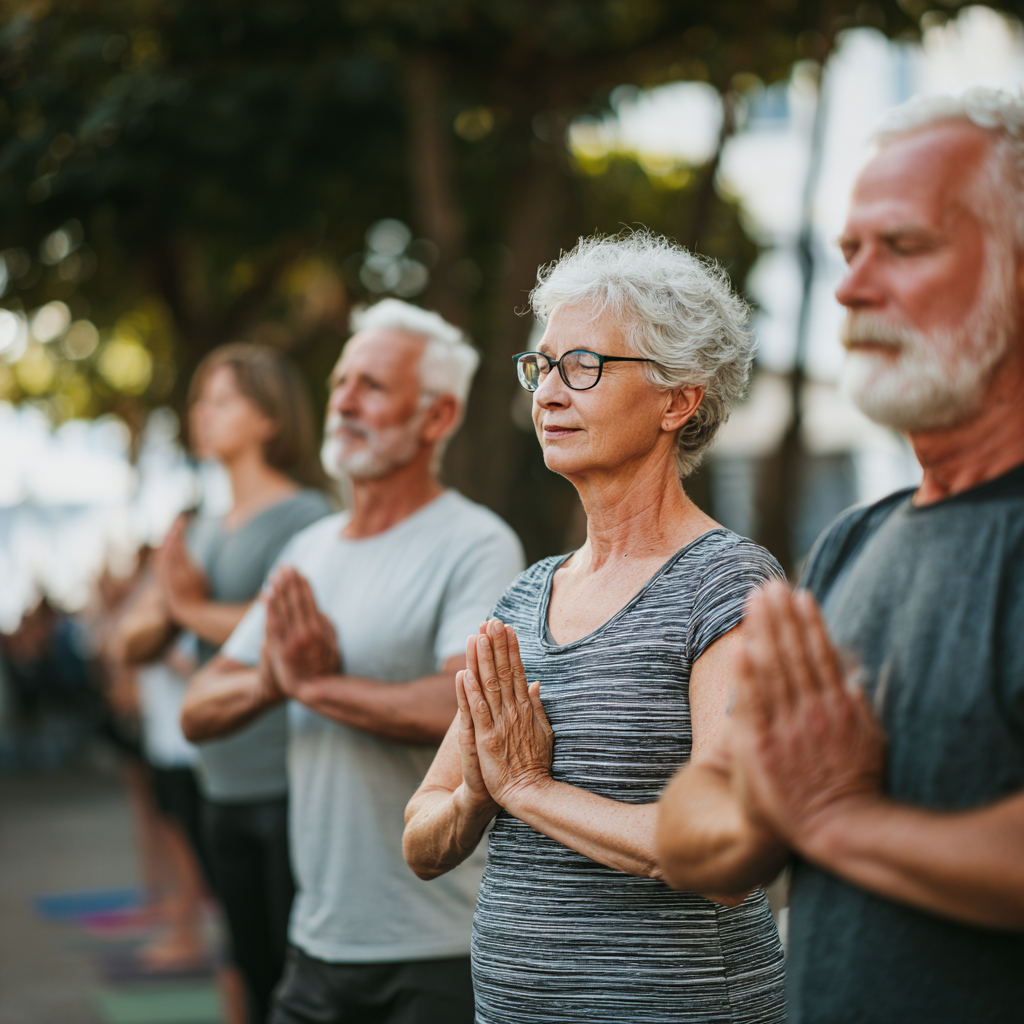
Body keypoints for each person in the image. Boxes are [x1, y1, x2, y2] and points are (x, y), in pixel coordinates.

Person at [655, 87, 1024, 1024]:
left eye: (903, 246)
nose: (853, 288)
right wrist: (773, 811)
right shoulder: (852, 542)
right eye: (847, 253)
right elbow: (693, 824)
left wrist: (832, 820)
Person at [403, 232, 786, 1024]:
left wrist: (529, 790)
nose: (547, 392)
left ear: (679, 400)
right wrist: (481, 790)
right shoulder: (525, 597)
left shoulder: (729, 585)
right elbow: (422, 834)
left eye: (583, 367)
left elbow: (726, 853)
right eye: (541, 366)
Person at [181, 299, 525, 1024]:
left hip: (436, 951)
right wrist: (276, 683)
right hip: (316, 946)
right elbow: (198, 708)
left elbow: (461, 711)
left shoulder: (476, 543)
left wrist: (314, 686)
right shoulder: (310, 550)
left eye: (372, 385)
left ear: (436, 418)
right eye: (341, 382)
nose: (344, 400)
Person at [152, 344, 333, 1022]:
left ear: (269, 417)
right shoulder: (197, 528)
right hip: (218, 779)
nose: (202, 413)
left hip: (286, 782)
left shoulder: (307, 516)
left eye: (221, 399)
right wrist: (168, 602)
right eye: (201, 400)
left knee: (297, 983)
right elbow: (139, 633)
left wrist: (189, 608)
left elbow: (301, 624)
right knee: (250, 972)